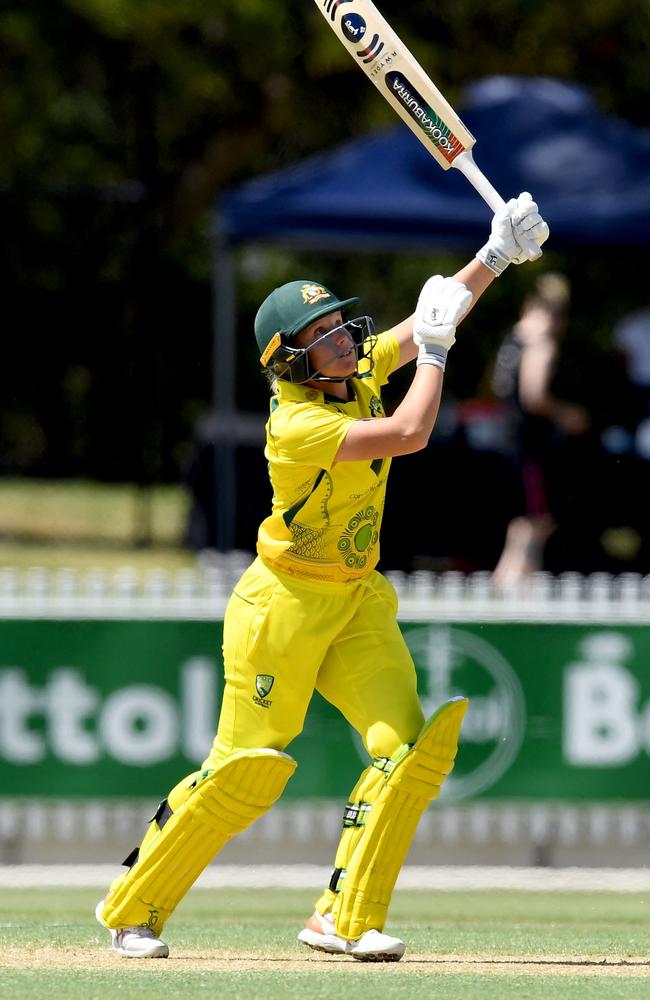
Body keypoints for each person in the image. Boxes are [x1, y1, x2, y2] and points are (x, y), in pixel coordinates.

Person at [96, 193, 549, 962]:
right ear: (289, 359)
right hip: (282, 603)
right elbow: (408, 433)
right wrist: (436, 355)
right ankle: (132, 910)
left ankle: (342, 920)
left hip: (356, 597)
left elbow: (429, 317)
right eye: (322, 335)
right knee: (246, 771)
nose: (343, 338)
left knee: (409, 751)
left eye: (341, 323)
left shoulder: (353, 373)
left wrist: (496, 253)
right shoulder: (298, 423)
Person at [491, 273, 589, 587]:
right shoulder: (541, 341)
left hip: (508, 436)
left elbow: (497, 386)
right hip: (530, 443)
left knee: (523, 522)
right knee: (536, 522)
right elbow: (534, 395)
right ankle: (516, 592)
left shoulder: (513, 336)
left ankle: (509, 589)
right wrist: (568, 414)